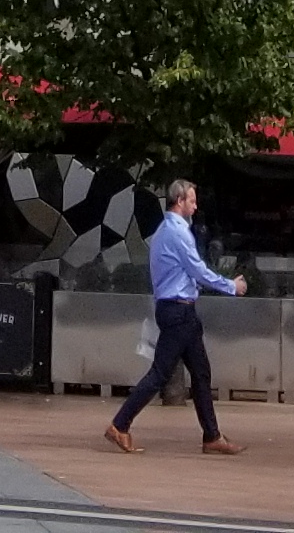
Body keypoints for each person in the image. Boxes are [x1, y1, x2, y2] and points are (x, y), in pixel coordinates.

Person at [103, 180, 244, 458]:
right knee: (160, 373)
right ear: (179, 201)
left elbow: (185, 272)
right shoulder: (177, 232)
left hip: (179, 310)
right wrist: (231, 286)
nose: (196, 205)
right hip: (178, 311)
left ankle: (212, 436)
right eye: (192, 200)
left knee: (200, 373)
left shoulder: (164, 231)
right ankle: (119, 425)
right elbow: (197, 269)